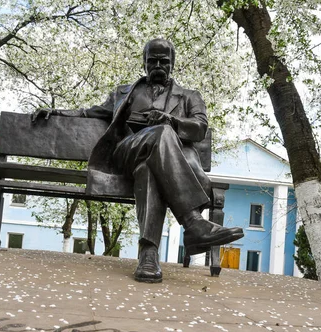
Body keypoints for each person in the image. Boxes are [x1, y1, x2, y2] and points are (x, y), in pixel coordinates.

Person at [32, 38, 243, 283]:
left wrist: (171, 120)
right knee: (161, 135)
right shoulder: (125, 93)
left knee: (149, 168)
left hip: (155, 165)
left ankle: (148, 255)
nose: (157, 65)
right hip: (126, 154)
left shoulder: (189, 97)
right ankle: (193, 222)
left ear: (173, 64)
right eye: (151, 60)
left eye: (163, 61)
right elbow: (91, 112)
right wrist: (57, 112)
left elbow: (199, 128)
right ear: (143, 63)